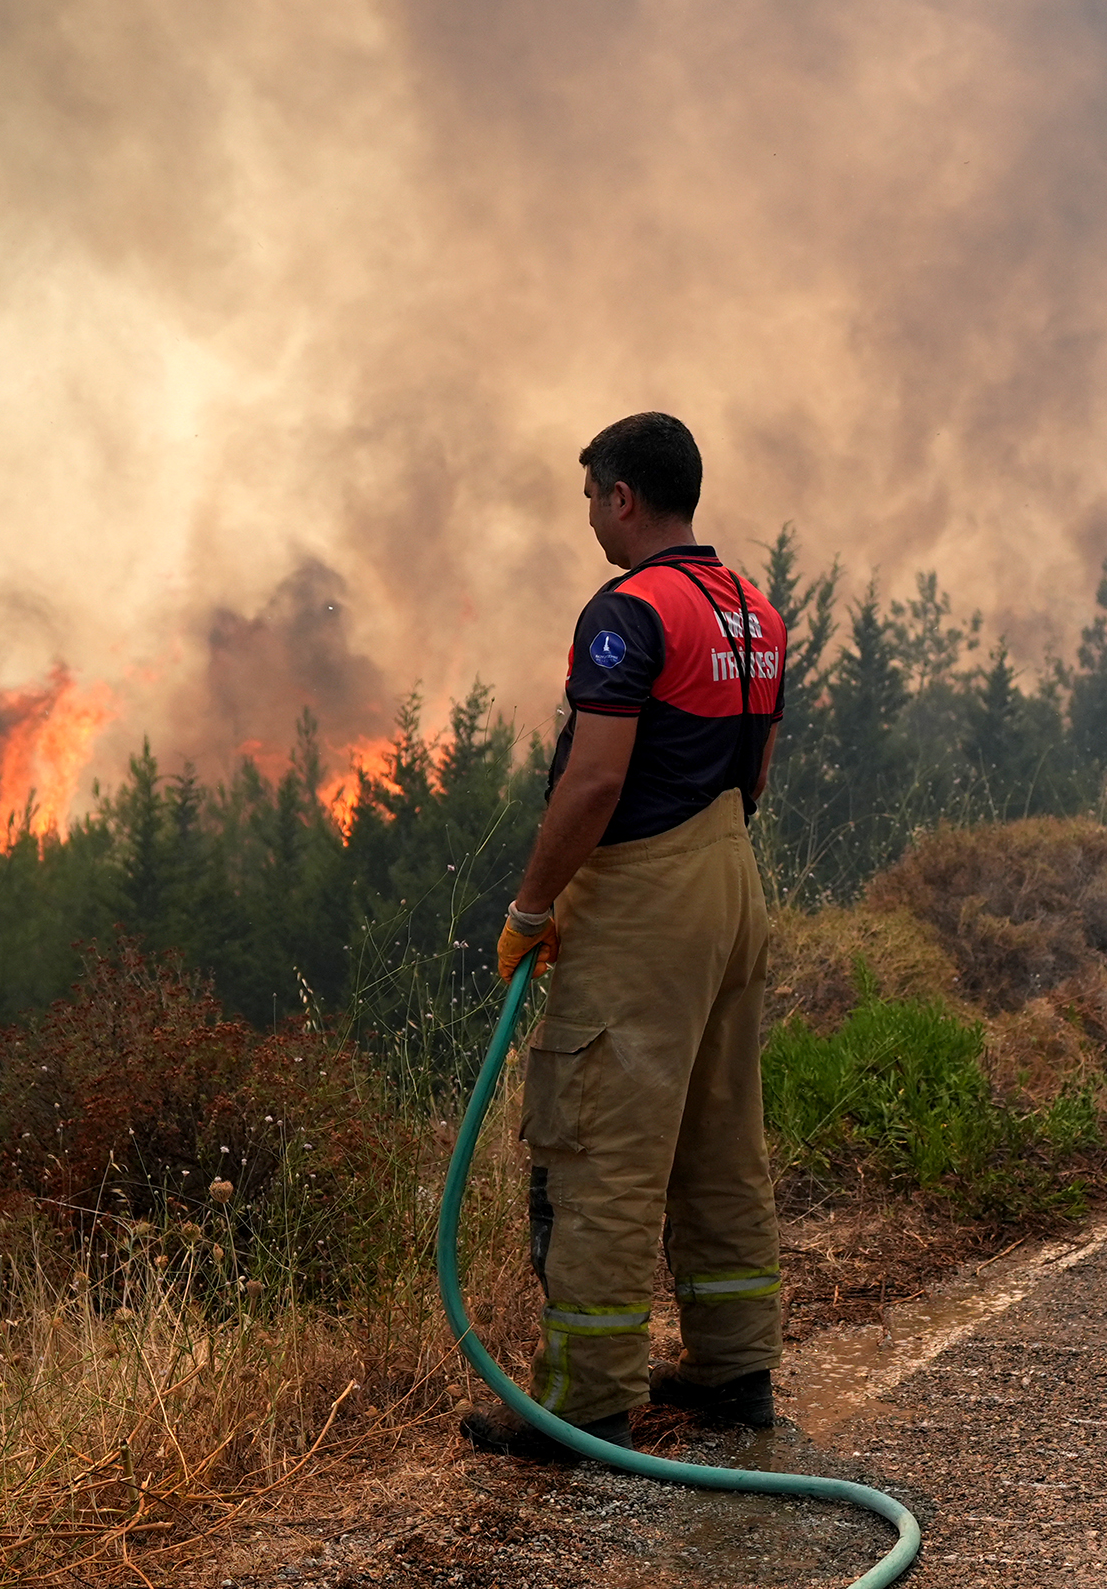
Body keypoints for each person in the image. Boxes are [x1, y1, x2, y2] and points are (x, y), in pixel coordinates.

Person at [460, 411, 790, 1463]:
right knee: (719, 1136)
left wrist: (530, 909)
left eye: (591, 498)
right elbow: (759, 770)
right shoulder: (755, 611)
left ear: (621, 498)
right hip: (734, 879)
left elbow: (596, 777)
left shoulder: (630, 612)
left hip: (647, 897)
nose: (592, 519)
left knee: (598, 1147)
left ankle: (583, 1404)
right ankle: (734, 1372)